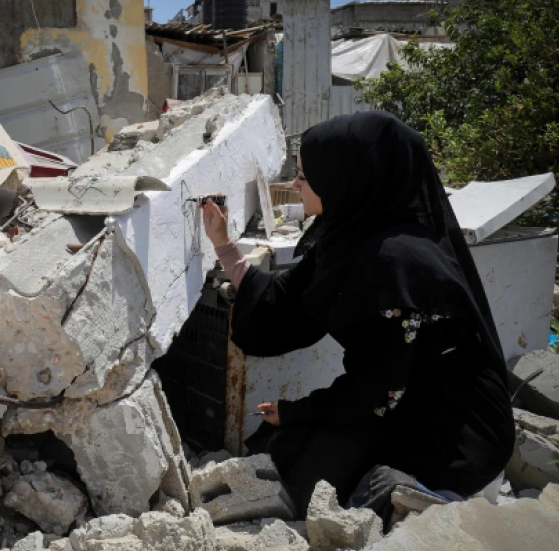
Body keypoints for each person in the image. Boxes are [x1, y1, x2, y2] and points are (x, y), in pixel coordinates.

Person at [200, 111, 515, 519]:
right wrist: (223, 244)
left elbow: (380, 390)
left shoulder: (397, 263)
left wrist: (300, 409)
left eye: (305, 176)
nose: (295, 185)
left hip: (453, 429)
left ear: (344, 178)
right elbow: (283, 305)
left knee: (309, 475)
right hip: (393, 397)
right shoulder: (350, 236)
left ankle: (414, 500)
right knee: (283, 448)